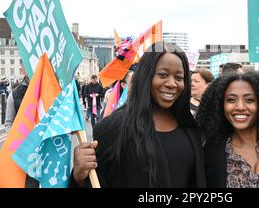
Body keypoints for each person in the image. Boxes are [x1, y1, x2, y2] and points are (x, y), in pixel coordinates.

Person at [70, 42, 206, 188]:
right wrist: (79, 177)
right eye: (163, 75)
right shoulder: (115, 128)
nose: (172, 83)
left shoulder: (191, 128)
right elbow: (97, 181)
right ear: (145, 76)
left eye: (179, 78)